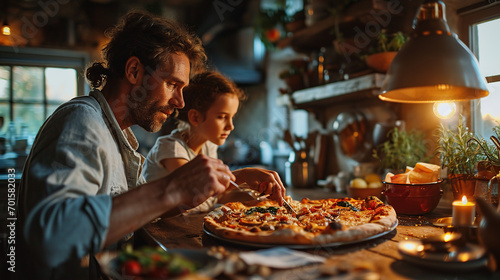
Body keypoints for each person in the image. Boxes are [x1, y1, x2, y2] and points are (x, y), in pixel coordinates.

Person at [15, 11, 276, 280]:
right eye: (172, 84)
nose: (180, 103)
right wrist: (172, 187)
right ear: (134, 71)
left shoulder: (119, 136)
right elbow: (52, 236)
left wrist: (229, 180)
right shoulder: (82, 121)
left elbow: (136, 215)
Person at [141, 71, 286, 211]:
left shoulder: (208, 146)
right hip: (158, 231)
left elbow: (217, 196)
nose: (231, 126)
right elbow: (195, 189)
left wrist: (258, 198)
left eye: (232, 117)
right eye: (222, 117)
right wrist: (244, 175)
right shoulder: (170, 148)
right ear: (195, 118)